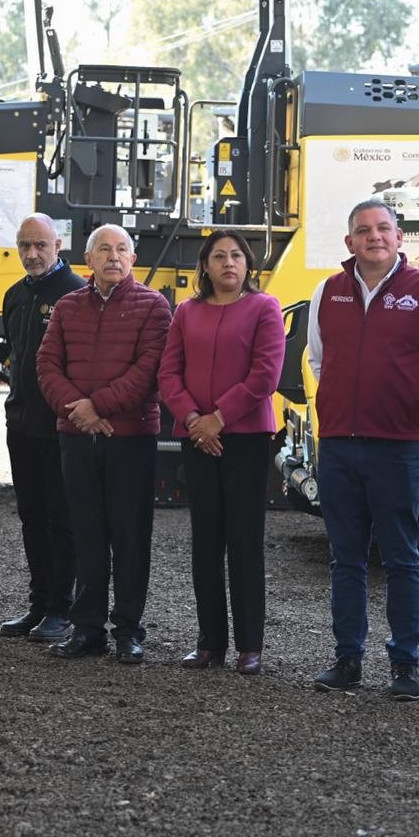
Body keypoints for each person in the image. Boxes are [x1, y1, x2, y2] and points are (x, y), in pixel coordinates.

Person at [307, 200, 419, 700]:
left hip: (399, 449)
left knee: (401, 557)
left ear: (399, 237)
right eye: (363, 231)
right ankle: (347, 660)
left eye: (383, 229)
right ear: (349, 242)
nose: (374, 237)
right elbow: (319, 360)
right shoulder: (326, 292)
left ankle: (404, 667)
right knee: (345, 558)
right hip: (340, 448)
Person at [35, 224, 171, 664]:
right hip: (77, 439)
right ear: (87, 260)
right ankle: (87, 628)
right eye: (104, 250)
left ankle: (129, 630)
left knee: (130, 537)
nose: (114, 257)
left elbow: (149, 369)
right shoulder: (67, 306)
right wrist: (77, 411)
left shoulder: (154, 306)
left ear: (133, 259)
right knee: (87, 534)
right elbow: (47, 364)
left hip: (130, 439)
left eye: (122, 250)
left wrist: (98, 408)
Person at [158, 230, 284, 674]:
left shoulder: (263, 308)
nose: (228, 263)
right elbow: (168, 373)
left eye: (236, 256)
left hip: (246, 439)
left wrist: (219, 418)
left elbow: (265, 375)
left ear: (248, 265)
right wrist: (195, 420)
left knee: (245, 542)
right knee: (205, 542)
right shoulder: (186, 313)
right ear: (205, 267)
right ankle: (209, 642)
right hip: (198, 440)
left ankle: (251, 647)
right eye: (218, 256)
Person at [0, 213, 86, 642]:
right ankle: (37, 605)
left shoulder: (76, 294)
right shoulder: (14, 295)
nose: (32, 254)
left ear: (58, 246)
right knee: (31, 517)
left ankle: (60, 609)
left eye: (40, 246)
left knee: (62, 517)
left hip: (62, 427)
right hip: (22, 425)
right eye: (24, 246)